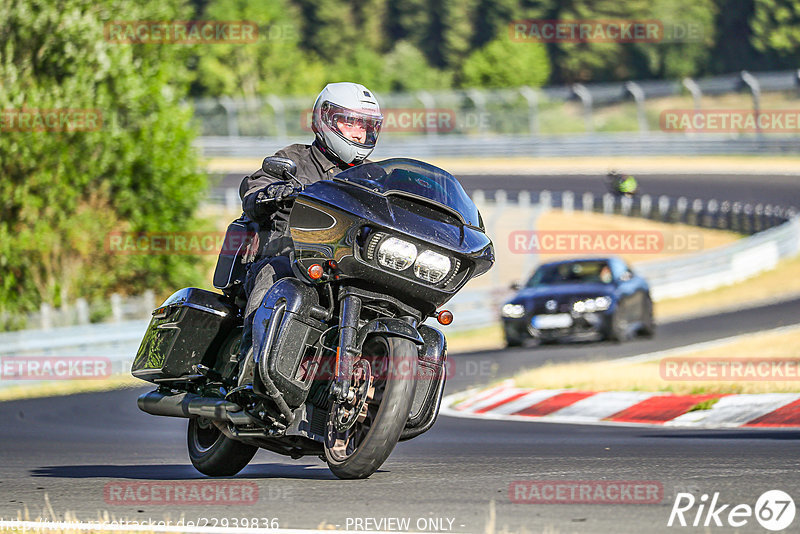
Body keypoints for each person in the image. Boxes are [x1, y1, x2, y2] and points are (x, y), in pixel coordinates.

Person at [237, 82, 383, 364]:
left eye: (364, 125)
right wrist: (271, 192)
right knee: (274, 276)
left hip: (348, 268)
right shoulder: (294, 158)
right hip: (291, 259)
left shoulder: (375, 177)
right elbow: (255, 187)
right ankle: (251, 367)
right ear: (325, 119)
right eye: (350, 121)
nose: (358, 132)